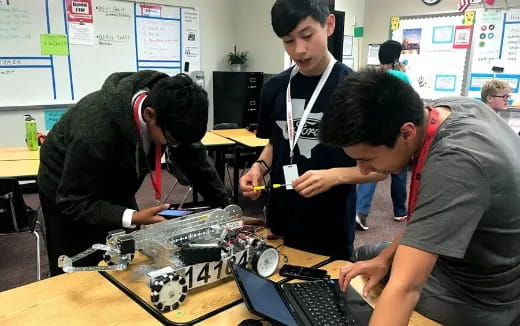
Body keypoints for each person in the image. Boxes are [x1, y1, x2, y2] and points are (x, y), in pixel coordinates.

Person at [320, 68, 520, 325]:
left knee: (381, 295)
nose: (363, 171)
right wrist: (383, 260)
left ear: (406, 133)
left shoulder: (456, 163)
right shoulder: (444, 109)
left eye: (367, 159)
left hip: (481, 294)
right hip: (470, 259)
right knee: (367, 256)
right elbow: (431, 213)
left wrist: (393, 282)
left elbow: (407, 289)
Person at [38, 71, 230, 276]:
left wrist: (227, 208)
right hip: (65, 187)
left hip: (118, 176)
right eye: (173, 141)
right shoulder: (95, 129)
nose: (177, 147)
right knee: (76, 265)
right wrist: (133, 216)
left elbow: (197, 162)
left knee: (124, 254)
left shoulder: (172, 111)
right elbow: (73, 202)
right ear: (149, 114)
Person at [238, 0, 383, 260]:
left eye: (307, 36)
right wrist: (259, 168)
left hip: (330, 224)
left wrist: (334, 176)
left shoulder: (355, 90)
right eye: (288, 41)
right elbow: (275, 142)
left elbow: (380, 170)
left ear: (329, 25)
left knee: (323, 296)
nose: (299, 50)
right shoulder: (275, 88)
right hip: (281, 219)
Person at [355, 40, 409, 230]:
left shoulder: (372, 76)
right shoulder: (401, 77)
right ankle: (400, 211)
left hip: (371, 130)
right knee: (399, 171)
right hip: (394, 131)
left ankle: (360, 212)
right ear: (396, 56)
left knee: (372, 169)